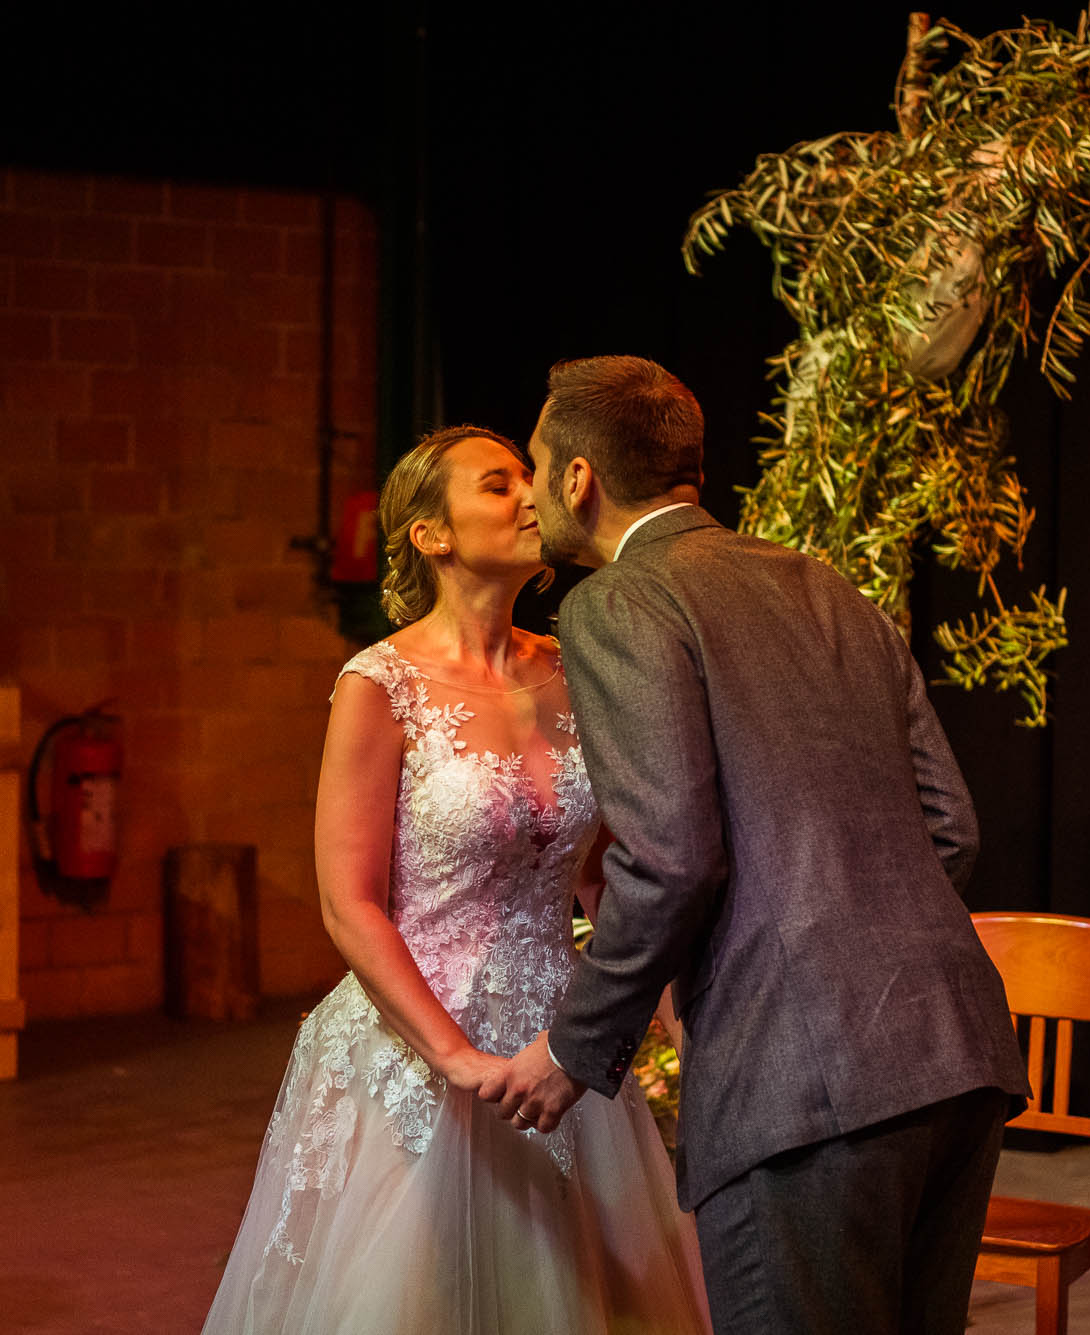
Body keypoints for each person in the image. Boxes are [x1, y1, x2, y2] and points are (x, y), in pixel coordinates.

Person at [479, 357, 1032, 1335]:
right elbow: (950, 826)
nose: (528, 488)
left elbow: (670, 856)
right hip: (953, 1054)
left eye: (534, 459)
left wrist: (575, 1047)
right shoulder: (824, 586)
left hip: (801, 1087)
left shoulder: (619, 603)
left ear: (577, 476)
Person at [200, 424, 711, 1334]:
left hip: (558, 1046)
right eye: (497, 484)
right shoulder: (380, 683)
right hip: (417, 1048)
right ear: (431, 536)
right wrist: (456, 1058)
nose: (529, 495)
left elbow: (608, 879)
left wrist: (687, 1023)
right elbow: (347, 902)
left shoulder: (575, 666)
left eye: (530, 477)